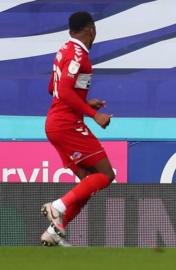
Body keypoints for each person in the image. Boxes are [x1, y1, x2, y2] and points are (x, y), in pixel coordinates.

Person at [41, 11, 115, 247]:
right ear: (91, 29)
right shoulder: (79, 55)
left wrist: (85, 102)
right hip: (67, 125)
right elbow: (62, 91)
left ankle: (54, 232)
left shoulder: (63, 49)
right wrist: (94, 114)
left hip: (56, 124)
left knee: (88, 183)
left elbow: (52, 88)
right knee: (106, 174)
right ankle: (57, 207)